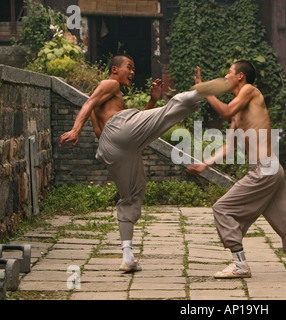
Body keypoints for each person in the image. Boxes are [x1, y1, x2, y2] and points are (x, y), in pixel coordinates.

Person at [60, 54, 229, 272]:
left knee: (131, 195)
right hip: (119, 132)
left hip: (110, 146)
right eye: (128, 67)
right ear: (114, 70)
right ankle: (200, 90)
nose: (132, 72)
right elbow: (91, 103)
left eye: (133, 68)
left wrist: (153, 101)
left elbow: (133, 128)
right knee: (170, 110)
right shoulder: (109, 84)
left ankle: (128, 256)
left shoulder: (106, 103)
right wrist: (75, 129)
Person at [187, 61, 286, 278]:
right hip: (271, 169)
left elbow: (224, 111)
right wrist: (206, 164)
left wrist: (204, 90)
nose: (226, 75)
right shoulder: (238, 111)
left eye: (230, 72)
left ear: (241, 76)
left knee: (222, 209)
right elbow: (230, 145)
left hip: (264, 170)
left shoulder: (250, 91)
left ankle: (240, 265)